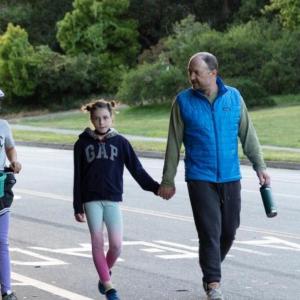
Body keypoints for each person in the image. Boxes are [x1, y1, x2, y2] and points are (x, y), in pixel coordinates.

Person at [158, 52, 270, 300]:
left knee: (229, 231)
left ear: (213, 73)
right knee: (209, 231)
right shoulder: (183, 102)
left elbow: (248, 134)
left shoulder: (234, 97)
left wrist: (260, 165)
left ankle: (210, 267)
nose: (192, 77)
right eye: (190, 72)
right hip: (200, 176)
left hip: (230, 176)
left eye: (196, 72)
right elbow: (174, 143)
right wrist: (168, 179)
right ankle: (213, 283)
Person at [73, 99, 159, 300]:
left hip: (112, 199)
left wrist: (156, 188)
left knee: (117, 245)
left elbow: (137, 170)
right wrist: (78, 205)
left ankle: (104, 274)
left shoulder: (121, 143)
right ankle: (109, 288)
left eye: (105, 118)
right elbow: (78, 176)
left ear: (111, 117)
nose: (101, 122)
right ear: (91, 120)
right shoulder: (82, 144)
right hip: (91, 199)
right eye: (97, 119)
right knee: (97, 242)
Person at [0, 89, 22, 300]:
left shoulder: (3, 125)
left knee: (2, 241)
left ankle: (7, 291)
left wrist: (14, 161)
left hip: (0, 186)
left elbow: (10, 148)